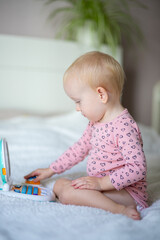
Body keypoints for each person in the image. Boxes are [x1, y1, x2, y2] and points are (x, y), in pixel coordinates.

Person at [24, 51, 148, 220]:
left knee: (67, 194)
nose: (77, 108)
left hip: (126, 192)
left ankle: (119, 210)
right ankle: (84, 193)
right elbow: (79, 149)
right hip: (102, 185)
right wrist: (51, 169)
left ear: (101, 95)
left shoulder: (124, 127)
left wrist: (101, 183)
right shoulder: (96, 123)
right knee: (59, 184)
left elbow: (137, 168)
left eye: (78, 101)